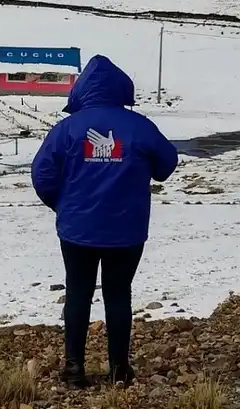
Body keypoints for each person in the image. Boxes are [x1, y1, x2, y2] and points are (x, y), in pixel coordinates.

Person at [31, 54, 179, 389]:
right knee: (118, 295)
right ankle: (119, 370)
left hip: (77, 230)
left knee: (78, 294)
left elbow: (42, 174)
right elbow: (167, 165)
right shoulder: (139, 126)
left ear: (82, 90)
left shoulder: (66, 129)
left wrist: (63, 205)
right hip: (126, 232)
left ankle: (73, 369)